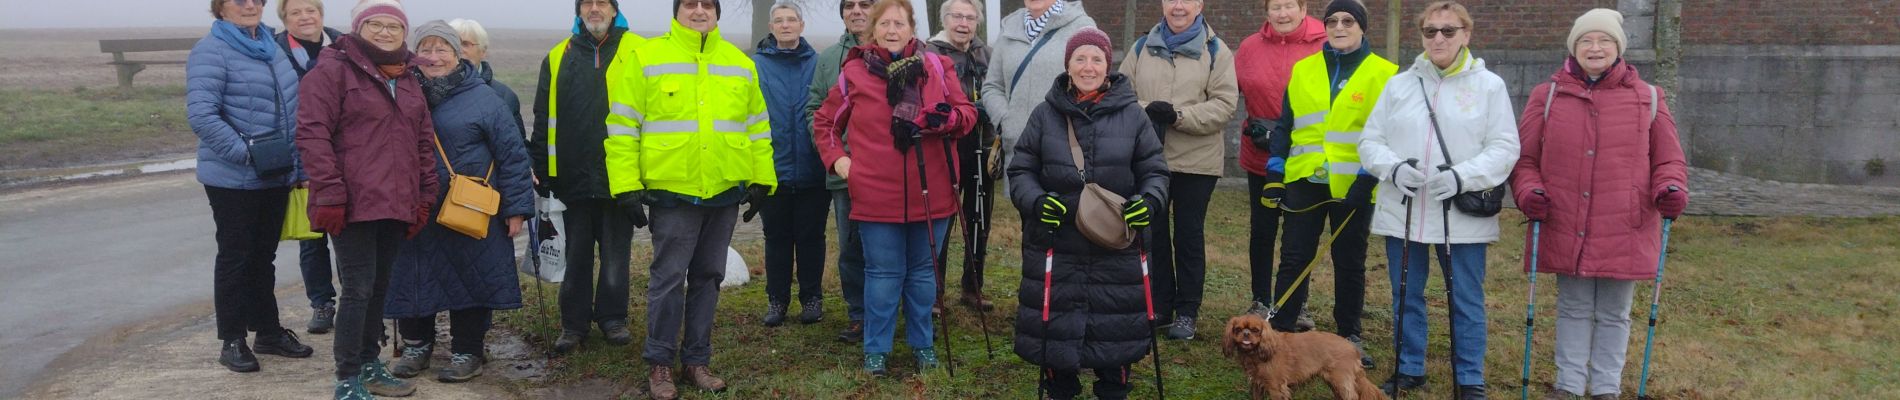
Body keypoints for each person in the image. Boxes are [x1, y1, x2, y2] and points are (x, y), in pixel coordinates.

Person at [1512, 9, 1689, 400]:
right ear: (1574, 48)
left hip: (1625, 223)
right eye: (1586, 41)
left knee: (1614, 313)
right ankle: (1569, 385)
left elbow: (1668, 159)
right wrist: (1528, 192)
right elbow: (1525, 159)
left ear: (1618, 48)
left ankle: (1606, 388)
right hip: (1565, 219)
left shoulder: (1649, 98)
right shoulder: (1548, 95)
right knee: (1573, 307)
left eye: (1604, 40)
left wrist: (1671, 187)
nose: (1595, 48)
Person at [604, 0, 771, 397]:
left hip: (723, 192)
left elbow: (757, 126)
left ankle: (697, 360)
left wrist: (763, 179)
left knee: (708, 278)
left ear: (716, 12)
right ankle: (660, 363)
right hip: (672, 193)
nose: (699, 11)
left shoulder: (739, 63)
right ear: (677, 11)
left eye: (707, 4)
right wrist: (625, 185)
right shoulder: (647, 58)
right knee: (667, 279)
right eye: (690, 4)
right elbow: (623, 126)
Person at [1356, 2, 1521, 398]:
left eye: (1449, 31)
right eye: (1430, 31)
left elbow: (1504, 146)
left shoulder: (1489, 86)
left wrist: (1464, 176)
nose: (1439, 39)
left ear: (1466, 34)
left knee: (1465, 297)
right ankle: (1410, 366)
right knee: (1406, 293)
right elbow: (1370, 141)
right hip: (1406, 207)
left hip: (1460, 212)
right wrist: (1393, 168)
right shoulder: (1400, 85)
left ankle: (1469, 377)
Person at [812, 0, 977, 377]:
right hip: (875, 193)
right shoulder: (853, 71)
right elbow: (825, 124)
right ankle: (876, 349)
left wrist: (948, 119)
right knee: (883, 275)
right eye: (883, 23)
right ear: (872, 30)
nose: (891, 30)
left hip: (931, 189)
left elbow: (967, 114)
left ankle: (923, 345)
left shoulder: (936, 66)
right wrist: (841, 163)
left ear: (911, 28)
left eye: (899, 23)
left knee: (922, 275)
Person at [1008, 26, 1170, 400]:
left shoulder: (1133, 115)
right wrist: (1035, 201)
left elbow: (1155, 171)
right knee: (1058, 330)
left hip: (1117, 243)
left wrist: (1149, 202)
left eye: (1096, 58)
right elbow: (1021, 170)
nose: (1088, 66)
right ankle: (1060, 387)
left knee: (1116, 327)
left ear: (1107, 65)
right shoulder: (1044, 115)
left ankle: (1114, 387)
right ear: (1068, 65)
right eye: (1079, 58)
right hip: (1057, 239)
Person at [294, 1, 437, 397]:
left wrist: (424, 195)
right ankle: (348, 376)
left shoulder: (407, 77)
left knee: (379, 286)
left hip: (396, 201)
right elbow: (312, 134)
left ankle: (371, 364)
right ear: (359, 28)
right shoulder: (332, 71)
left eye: (394, 27)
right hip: (353, 202)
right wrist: (331, 193)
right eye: (376, 25)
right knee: (357, 288)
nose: (386, 33)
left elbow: (423, 140)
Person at [383, 21, 534, 385]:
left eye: (442, 49)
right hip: (415, 207)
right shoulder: (401, 92)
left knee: (471, 276)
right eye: (426, 49)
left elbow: (513, 155)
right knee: (413, 273)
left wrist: (516, 208)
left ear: (457, 53)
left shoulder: (484, 98)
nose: (433, 57)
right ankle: (417, 346)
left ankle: (468, 350)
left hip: (469, 208)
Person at [1260, 0, 1394, 370]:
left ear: (1363, 27)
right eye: (1332, 20)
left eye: (1348, 21)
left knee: (1349, 261)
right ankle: (1281, 334)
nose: (1339, 26)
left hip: (1355, 184)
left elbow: (1388, 134)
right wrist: (1274, 174)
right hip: (1305, 179)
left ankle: (1349, 335)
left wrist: (1367, 180)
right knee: (1294, 257)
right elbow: (1285, 126)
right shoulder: (1304, 70)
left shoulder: (1385, 73)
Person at [188, 0, 315, 374]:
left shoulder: (268, 46)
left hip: (275, 172)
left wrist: (295, 163)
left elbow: (290, 111)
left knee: (264, 256)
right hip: (233, 177)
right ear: (220, 8)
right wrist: (247, 154)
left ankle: (268, 332)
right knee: (235, 256)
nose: (249, 5)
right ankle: (232, 339)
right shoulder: (211, 51)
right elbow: (202, 115)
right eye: (238, 0)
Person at [528, 0, 644, 355]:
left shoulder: (639, 50)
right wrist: (543, 169)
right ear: (579, 12)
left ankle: (613, 318)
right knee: (575, 255)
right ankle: (573, 324)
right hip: (572, 177)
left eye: (602, 3)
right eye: (587, 4)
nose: (595, 9)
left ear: (614, 10)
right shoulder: (557, 55)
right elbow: (542, 113)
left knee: (615, 255)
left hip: (620, 178)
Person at [1117, 0, 1237, 340]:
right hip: (1149, 160)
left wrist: (1178, 116)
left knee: (1187, 236)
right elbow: (1120, 93)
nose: (1179, 6)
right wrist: (1148, 110)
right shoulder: (1141, 47)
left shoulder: (1216, 51)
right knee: (1151, 235)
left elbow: (1225, 105)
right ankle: (1158, 306)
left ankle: (1187, 311)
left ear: (1199, 5)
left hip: (1196, 163)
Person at [1235, 0, 1325, 329]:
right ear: (1266, 11)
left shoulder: (1325, 43)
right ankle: (1261, 298)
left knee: (1298, 235)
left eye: (1289, 5)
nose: (1282, 14)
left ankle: (1295, 303)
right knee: (1262, 229)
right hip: (1260, 156)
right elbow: (1234, 92)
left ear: (1304, 9)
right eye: (1276, 7)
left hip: (1305, 158)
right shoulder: (1248, 48)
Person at [802, 0, 874, 343]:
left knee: (890, 246)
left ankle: (893, 310)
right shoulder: (830, 58)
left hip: (890, 173)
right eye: (849, 5)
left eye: (865, 4)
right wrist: (833, 155)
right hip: (844, 173)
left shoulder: (896, 48)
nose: (856, 10)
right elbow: (815, 108)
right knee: (851, 246)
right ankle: (859, 314)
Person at [751, 2, 827, 328]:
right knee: (777, 237)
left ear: (801, 25)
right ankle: (777, 299)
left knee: (811, 237)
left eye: (791, 20)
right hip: (773, 169)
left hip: (812, 168)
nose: (785, 25)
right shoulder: (755, 66)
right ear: (771, 27)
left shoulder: (818, 64)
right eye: (779, 21)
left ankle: (811, 297)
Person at [273, 0, 345, 336]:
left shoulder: (343, 45)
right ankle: (321, 302)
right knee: (311, 237)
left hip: (343, 153)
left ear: (321, 14)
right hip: (300, 152)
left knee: (348, 234)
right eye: (295, 12)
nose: (305, 17)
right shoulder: (274, 51)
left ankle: (357, 301)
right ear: (284, 19)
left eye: (310, 10)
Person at [922, 0, 998, 311]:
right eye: (956, 16)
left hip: (982, 142)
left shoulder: (987, 53)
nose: (963, 23)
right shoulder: (929, 52)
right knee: (941, 219)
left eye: (969, 17)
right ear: (945, 20)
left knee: (979, 217)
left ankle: (972, 286)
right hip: (945, 146)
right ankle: (934, 291)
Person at [982, 0, 1096, 158]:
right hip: (1016, 151)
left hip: (1065, 152)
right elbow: (992, 86)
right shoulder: (1009, 28)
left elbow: (1093, 87)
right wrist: (1005, 122)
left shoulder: (1081, 27)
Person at [447, 18, 525, 138]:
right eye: (453, 43)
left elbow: (518, 149)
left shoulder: (503, 96)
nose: (459, 49)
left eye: (466, 44)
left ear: (483, 51)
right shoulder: (430, 92)